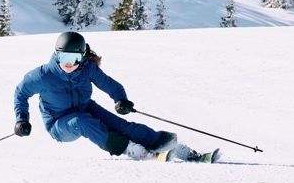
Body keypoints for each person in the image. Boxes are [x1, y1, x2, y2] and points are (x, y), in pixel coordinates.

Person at [13, 31, 216, 162]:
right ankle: (132, 150)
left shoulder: (87, 69)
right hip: (59, 124)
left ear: (82, 57)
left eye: (74, 58)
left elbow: (109, 84)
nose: (69, 64)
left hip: (85, 107)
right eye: (64, 57)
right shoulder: (41, 75)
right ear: (56, 55)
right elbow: (20, 94)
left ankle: (171, 146)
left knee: (124, 126)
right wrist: (22, 120)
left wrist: (120, 99)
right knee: (81, 121)